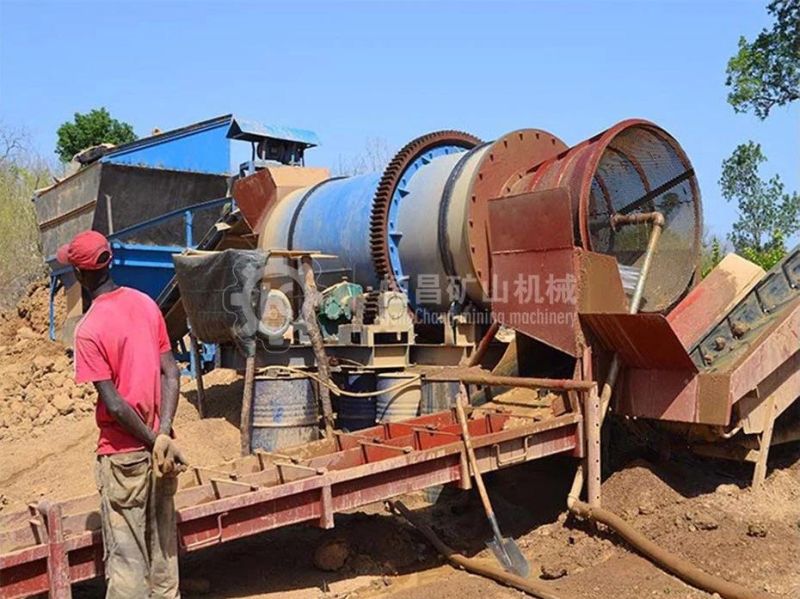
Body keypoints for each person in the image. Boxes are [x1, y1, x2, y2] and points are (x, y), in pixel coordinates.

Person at [57, 230, 185, 598]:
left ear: (81, 275)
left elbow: (114, 404)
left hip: (123, 456)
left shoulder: (90, 329)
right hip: (163, 454)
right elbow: (171, 372)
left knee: (128, 560)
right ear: (108, 262)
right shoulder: (146, 305)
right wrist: (164, 434)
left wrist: (151, 439)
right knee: (164, 552)